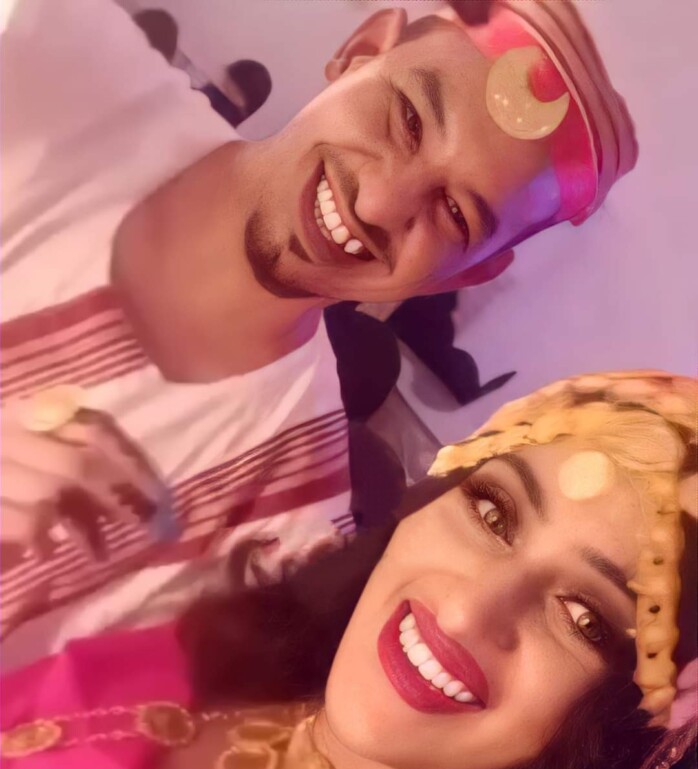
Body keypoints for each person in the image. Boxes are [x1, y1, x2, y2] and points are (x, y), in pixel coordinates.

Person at [1, 370, 695, 769]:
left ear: (636, 727)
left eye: (584, 619)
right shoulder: (189, 665)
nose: (464, 614)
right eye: (492, 512)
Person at [0, 0, 638, 669]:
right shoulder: (51, 59)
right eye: (407, 119)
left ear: (464, 274)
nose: (378, 202)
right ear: (361, 50)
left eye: (453, 212)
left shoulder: (282, 527)